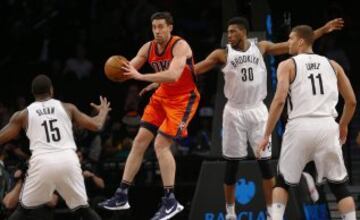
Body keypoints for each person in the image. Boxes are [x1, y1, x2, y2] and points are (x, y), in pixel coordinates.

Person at [191, 16, 343, 220]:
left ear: (244, 32)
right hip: (234, 111)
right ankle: (230, 212)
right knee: (231, 165)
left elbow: (294, 43)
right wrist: (166, 77)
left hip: (257, 110)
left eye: (233, 31)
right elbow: (196, 69)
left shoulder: (260, 47)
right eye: (228, 32)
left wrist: (322, 29)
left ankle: (272, 212)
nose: (229, 35)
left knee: (265, 164)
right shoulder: (222, 54)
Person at [99, 11, 200, 220]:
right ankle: (122, 194)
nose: (157, 31)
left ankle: (171, 200)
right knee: (139, 142)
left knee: (160, 145)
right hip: (162, 96)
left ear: (170, 27)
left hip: (183, 99)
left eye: (161, 27)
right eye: (154, 27)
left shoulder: (180, 46)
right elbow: (130, 67)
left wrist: (142, 77)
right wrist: (118, 69)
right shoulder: (148, 47)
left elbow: (173, 75)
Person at [257, 25, 357, 220]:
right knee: (339, 187)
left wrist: (267, 134)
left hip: (300, 126)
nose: (289, 43)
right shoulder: (333, 65)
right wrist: (343, 124)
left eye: (291, 39)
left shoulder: (287, 65)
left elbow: (278, 100)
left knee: (283, 183)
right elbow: (352, 101)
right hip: (328, 126)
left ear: (301, 41)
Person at [0, 74, 111, 220]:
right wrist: (103, 111)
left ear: (33, 93)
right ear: (51, 90)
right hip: (68, 160)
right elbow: (97, 125)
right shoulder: (67, 108)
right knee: (84, 209)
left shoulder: (23, 114)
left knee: (23, 211)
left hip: (42, 162)